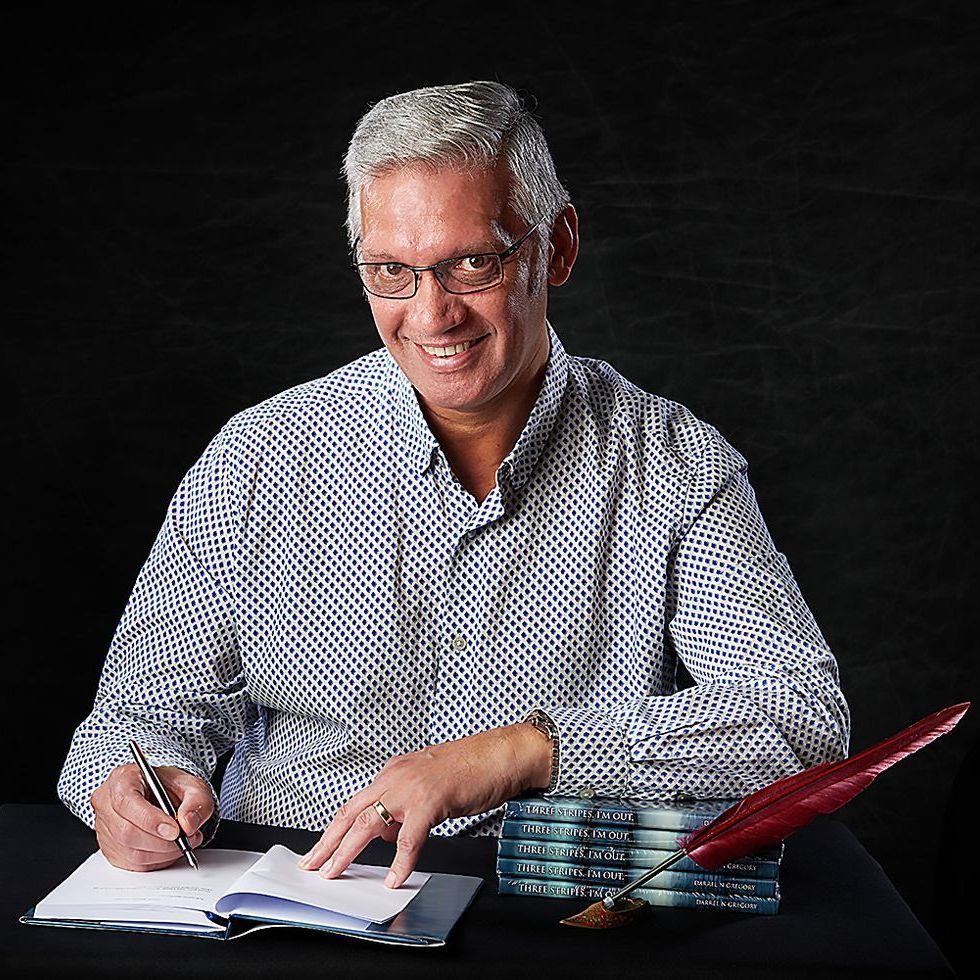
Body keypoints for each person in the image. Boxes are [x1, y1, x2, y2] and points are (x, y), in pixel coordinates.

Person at [57, 81, 850, 888]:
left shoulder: (678, 464)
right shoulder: (256, 456)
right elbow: (137, 717)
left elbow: (800, 718)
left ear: (559, 246)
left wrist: (522, 752)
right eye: (390, 272)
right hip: (294, 898)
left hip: (545, 915)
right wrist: (133, 787)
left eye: (472, 262)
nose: (432, 315)